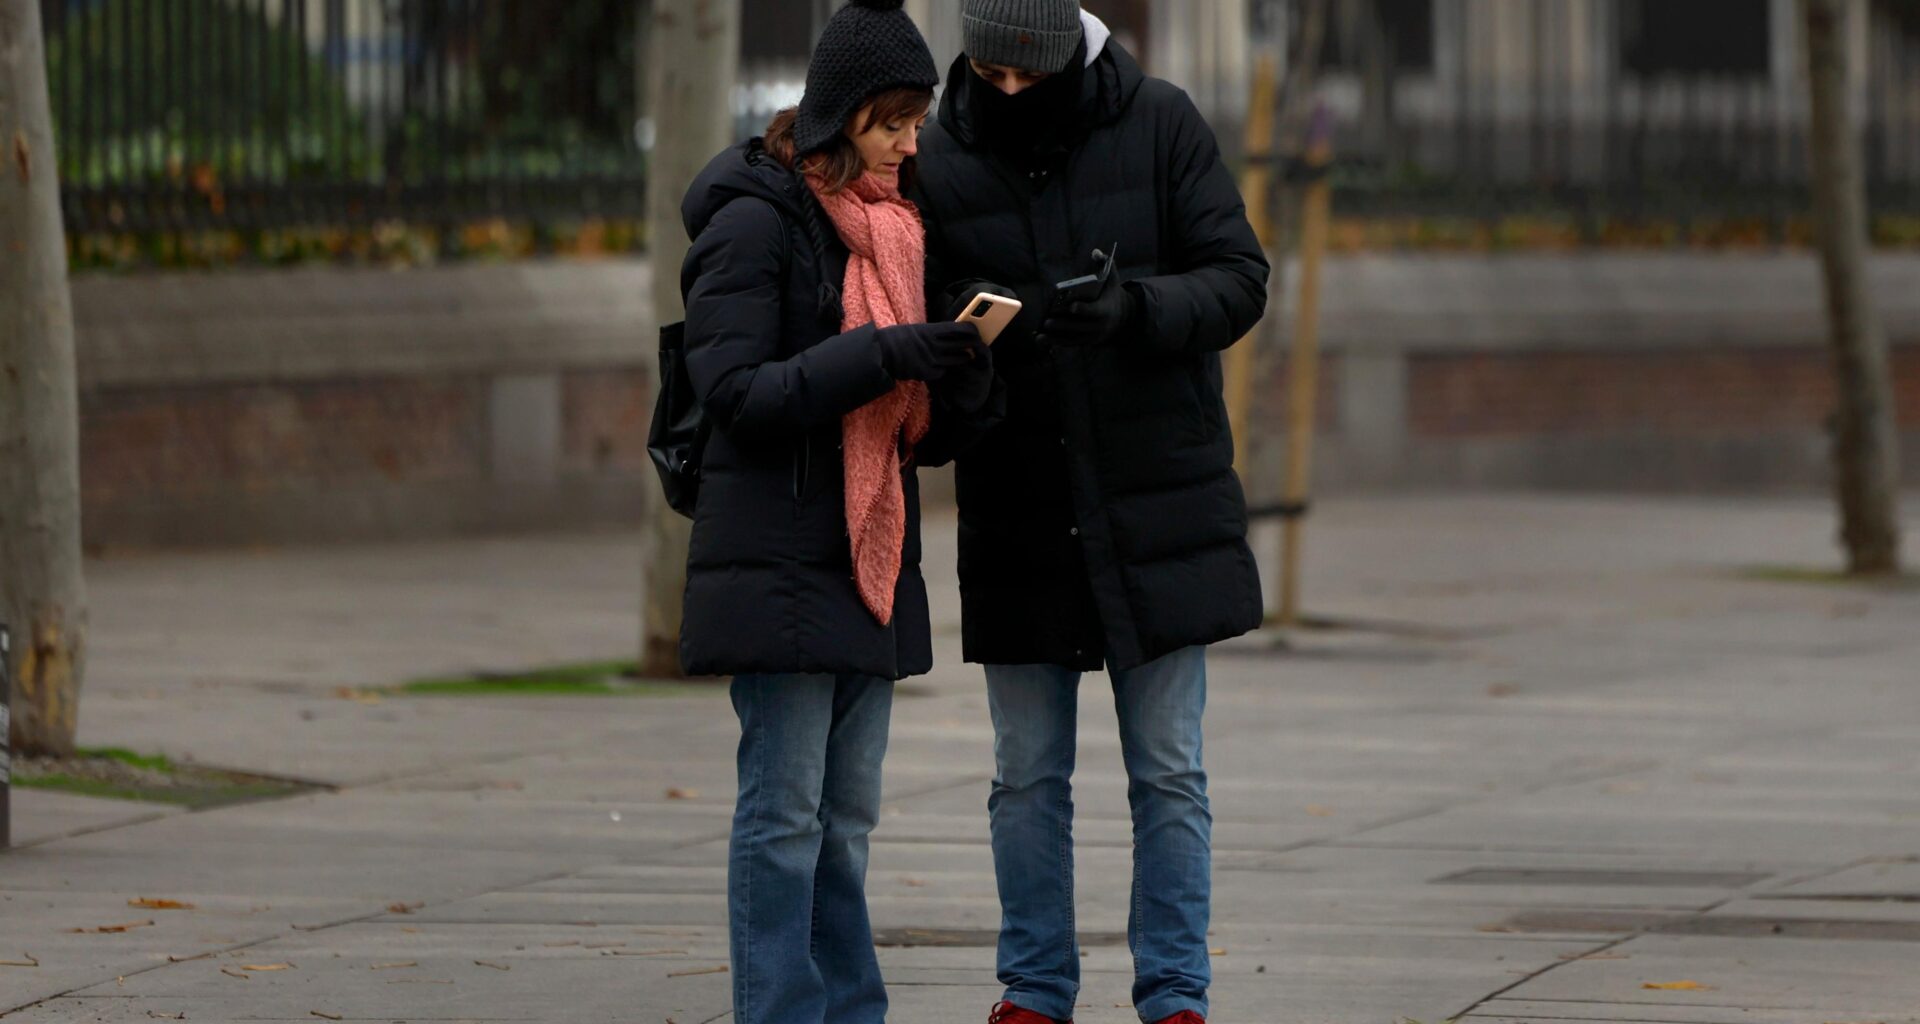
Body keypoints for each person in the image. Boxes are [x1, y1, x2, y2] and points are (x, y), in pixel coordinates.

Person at [908, 2, 1271, 1023]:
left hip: (1156, 502)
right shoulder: (940, 154)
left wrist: (1135, 311)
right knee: (1025, 774)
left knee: (1168, 769)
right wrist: (968, 321)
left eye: (1032, 76)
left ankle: (1175, 993)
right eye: (992, 75)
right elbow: (917, 299)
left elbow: (1240, 279)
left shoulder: (1162, 122)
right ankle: (1033, 987)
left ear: (1073, 51)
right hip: (1020, 502)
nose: (1010, 93)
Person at [676, 2, 1003, 1021]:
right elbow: (735, 393)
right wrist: (881, 355)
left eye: (919, 123)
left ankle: (849, 1009)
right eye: (896, 122)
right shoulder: (751, 220)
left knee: (846, 819)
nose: (914, 143)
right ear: (845, 115)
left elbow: (914, 431)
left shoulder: (899, 230)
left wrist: (961, 373)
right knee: (782, 818)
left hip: (867, 557)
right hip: (777, 559)